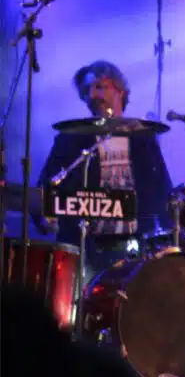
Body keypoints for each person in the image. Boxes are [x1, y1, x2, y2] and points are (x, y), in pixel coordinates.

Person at [38, 60, 172, 276]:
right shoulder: (70, 138)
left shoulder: (142, 138)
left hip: (135, 247)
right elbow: (46, 187)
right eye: (87, 90)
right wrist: (46, 218)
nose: (92, 95)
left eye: (100, 87)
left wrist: (170, 237)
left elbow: (162, 190)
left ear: (120, 91)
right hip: (85, 247)